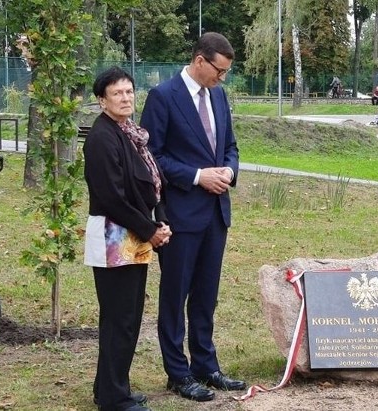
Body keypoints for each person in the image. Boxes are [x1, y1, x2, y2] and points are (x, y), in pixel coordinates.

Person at [140, 32, 244, 403]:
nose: (223, 77)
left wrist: (229, 171)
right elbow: (151, 155)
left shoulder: (218, 95)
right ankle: (177, 373)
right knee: (175, 295)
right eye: (219, 70)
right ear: (200, 60)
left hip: (216, 215)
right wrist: (199, 176)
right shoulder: (163, 97)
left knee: (205, 296)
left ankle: (205, 364)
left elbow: (230, 146)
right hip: (181, 216)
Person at [83, 66, 172, 411]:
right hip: (113, 238)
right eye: (117, 93)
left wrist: (159, 220)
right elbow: (111, 197)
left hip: (135, 235)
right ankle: (113, 398)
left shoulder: (131, 133)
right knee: (119, 318)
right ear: (102, 100)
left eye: (129, 92)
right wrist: (150, 229)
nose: (125, 98)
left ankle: (109, 387)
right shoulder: (102, 137)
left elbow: (152, 182)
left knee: (128, 316)